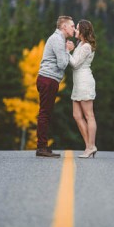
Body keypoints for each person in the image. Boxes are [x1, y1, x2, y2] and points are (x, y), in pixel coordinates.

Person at [36, 16, 76, 158]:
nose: (74, 29)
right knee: (45, 113)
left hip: (49, 79)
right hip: (48, 79)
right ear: (64, 27)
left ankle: (43, 146)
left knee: (46, 113)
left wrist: (66, 49)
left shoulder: (59, 39)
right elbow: (62, 64)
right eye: (72, 26)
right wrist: (68, 50)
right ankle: (41, 147)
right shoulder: (58, 39)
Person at [69, 19, 98, 159]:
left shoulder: (86, 46)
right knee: (76, 115)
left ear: (82, 31)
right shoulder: (80, 44)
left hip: (85, 82)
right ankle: (89, 146)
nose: (75, 30)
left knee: (89, 115)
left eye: (77, 28)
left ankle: (91, 146)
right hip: (78, 83)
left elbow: (74, 64)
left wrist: (66, 51)